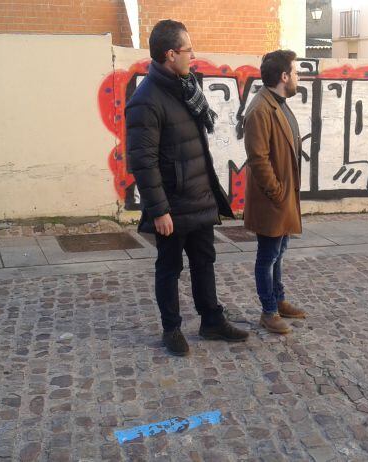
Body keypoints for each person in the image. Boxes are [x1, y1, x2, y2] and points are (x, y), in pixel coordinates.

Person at [125, 19, 248, 356]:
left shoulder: (186, 88)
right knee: (169, 267)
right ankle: (172, 329)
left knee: (204, 260)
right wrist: (160, 209)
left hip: (198, 195)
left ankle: (211, 321)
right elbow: (142, 161)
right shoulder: (145, 100)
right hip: (172, 205)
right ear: (170, 54)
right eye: (188, 49)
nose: (192, 55)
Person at [243, 50, 307, 334]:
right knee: (267, 256)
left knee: (279, 252)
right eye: (295, 72)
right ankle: (268, 311)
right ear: (283, 77)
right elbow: (258, 158)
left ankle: (279, 301)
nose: (298, 77)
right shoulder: (260, 109)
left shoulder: (278, 103)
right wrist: (278, 192)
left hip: (283, 198)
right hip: (273, 200)